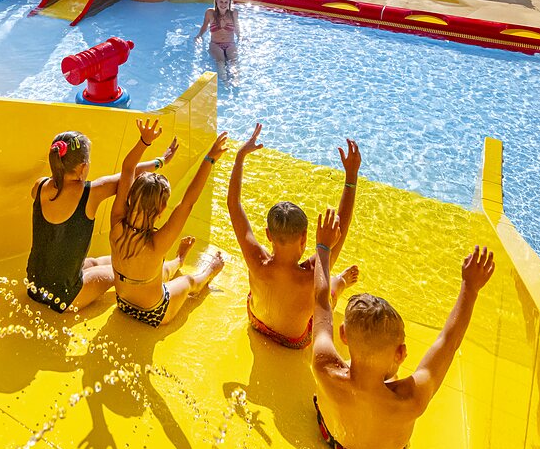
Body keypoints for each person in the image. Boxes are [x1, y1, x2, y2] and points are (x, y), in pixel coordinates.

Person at [311, 230, 495, 449]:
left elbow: (321, 301)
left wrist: (323, 248)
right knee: (391, 378)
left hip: (331, 438)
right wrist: (470, 288)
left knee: (349, 366)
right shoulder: (411, 400)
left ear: (343, 334)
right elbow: (448, 342)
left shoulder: (323, 365)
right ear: (401, 352)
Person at [227, 125, 361, 348]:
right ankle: (342, 281)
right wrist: (351, 177)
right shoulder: (313, 272)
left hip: (257, 323)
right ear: (304, 238)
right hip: (296, 341)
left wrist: (240, 156)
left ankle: (338, 281)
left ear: (268, 235)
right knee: (327, 290)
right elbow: (342, 227)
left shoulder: (256, 259)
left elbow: (233, 205)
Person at [27, 130, 179, 313]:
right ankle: (174, 264)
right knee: (122, 271)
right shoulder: (90, 193)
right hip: (64, 298)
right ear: (83, 167)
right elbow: (129, 173)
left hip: (33, 285)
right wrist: (161, 161)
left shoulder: (39, 185)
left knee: (93, 263)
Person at [109, 119, 229, 327]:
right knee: (187, 282)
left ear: (131, 195)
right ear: (162, 209)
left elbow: (128, 168)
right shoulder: (157, 242)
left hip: (123, 304)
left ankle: (179, 260)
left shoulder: (117, 221)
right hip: (155, 313)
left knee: (162, 269)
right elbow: (188, 202)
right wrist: (209, 159)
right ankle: (210, 270)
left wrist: (144, 142)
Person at [194, 0, 240, 64]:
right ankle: (222, 72)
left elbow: (236, 27)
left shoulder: (234, 13)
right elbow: (205, 26)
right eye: (221, 2)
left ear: (229, 3)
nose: (223, 4)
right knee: (220, 61)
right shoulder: (210, 13)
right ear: (216, 2)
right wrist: (199, 35)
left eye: (226, 2)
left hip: (230, 43)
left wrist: (240, 36)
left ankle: (234, 72)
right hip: (215, 44)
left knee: (234, 62)